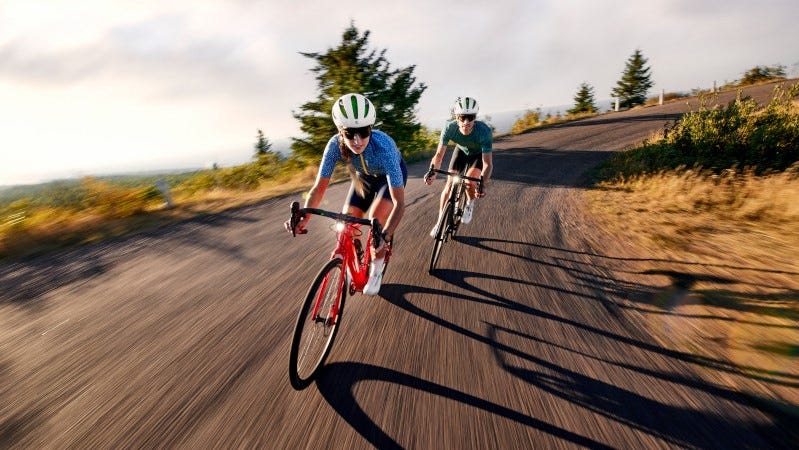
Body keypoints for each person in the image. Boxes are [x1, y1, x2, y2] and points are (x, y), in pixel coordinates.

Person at [286, 93, 406, 295]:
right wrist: (304, 216)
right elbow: (318, 188)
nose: (357, 141)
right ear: (340, 132)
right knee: (347, 223)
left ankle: (376, 269)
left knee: (377, 218)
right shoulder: (334, 146)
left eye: (363, 132)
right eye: (350, 133)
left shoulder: (384, 147)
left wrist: (385, 236)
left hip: (389, 177)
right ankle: (354, 256)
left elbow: (399, 203)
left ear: (371, 129)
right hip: (364, 178)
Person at [424, 96, 493, 237]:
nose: (467, 122)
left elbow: (488, 164)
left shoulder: (484, 132)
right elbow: (438, 156)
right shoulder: (449, 128)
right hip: (460, 151)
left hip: (477, 154)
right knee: (449, 185)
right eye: (462, 118)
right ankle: (439, 223)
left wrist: (482, 184)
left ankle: (469, 203)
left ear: (475, 117)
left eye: (471, 117)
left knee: (470, 181)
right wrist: (432, 172)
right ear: (456, 117)